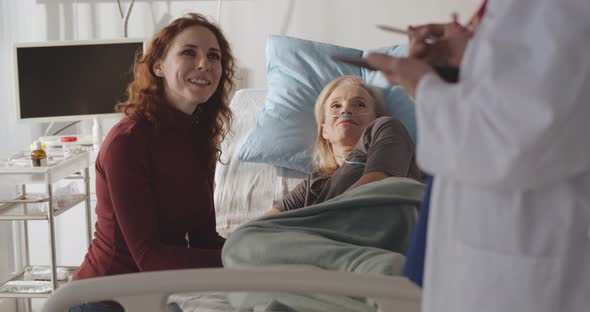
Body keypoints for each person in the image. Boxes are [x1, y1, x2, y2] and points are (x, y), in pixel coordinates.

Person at [367, 0, 590, 311]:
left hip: (527, 246)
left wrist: (423, 85)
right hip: (493, 235)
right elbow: (529, 82)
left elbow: (516, 138)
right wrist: (468, 55)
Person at [69, 13, 235, 312]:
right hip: (103, 299)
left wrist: (261, 247)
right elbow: (149, 258)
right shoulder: (127, 142)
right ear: (158, 66)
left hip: (152, 297)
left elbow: (203, 239)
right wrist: (242, 258)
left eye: (214, 56)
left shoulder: (199, 140)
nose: (204, 64)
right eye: (189, 52)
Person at [264, 75, 421, 216]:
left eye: (359, 104)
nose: (346, 109)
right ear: (324, 130)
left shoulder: (387, 127)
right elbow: (261, 226)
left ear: (375, 119)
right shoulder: (313, 185)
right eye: (336, 106)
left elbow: (376, 187)